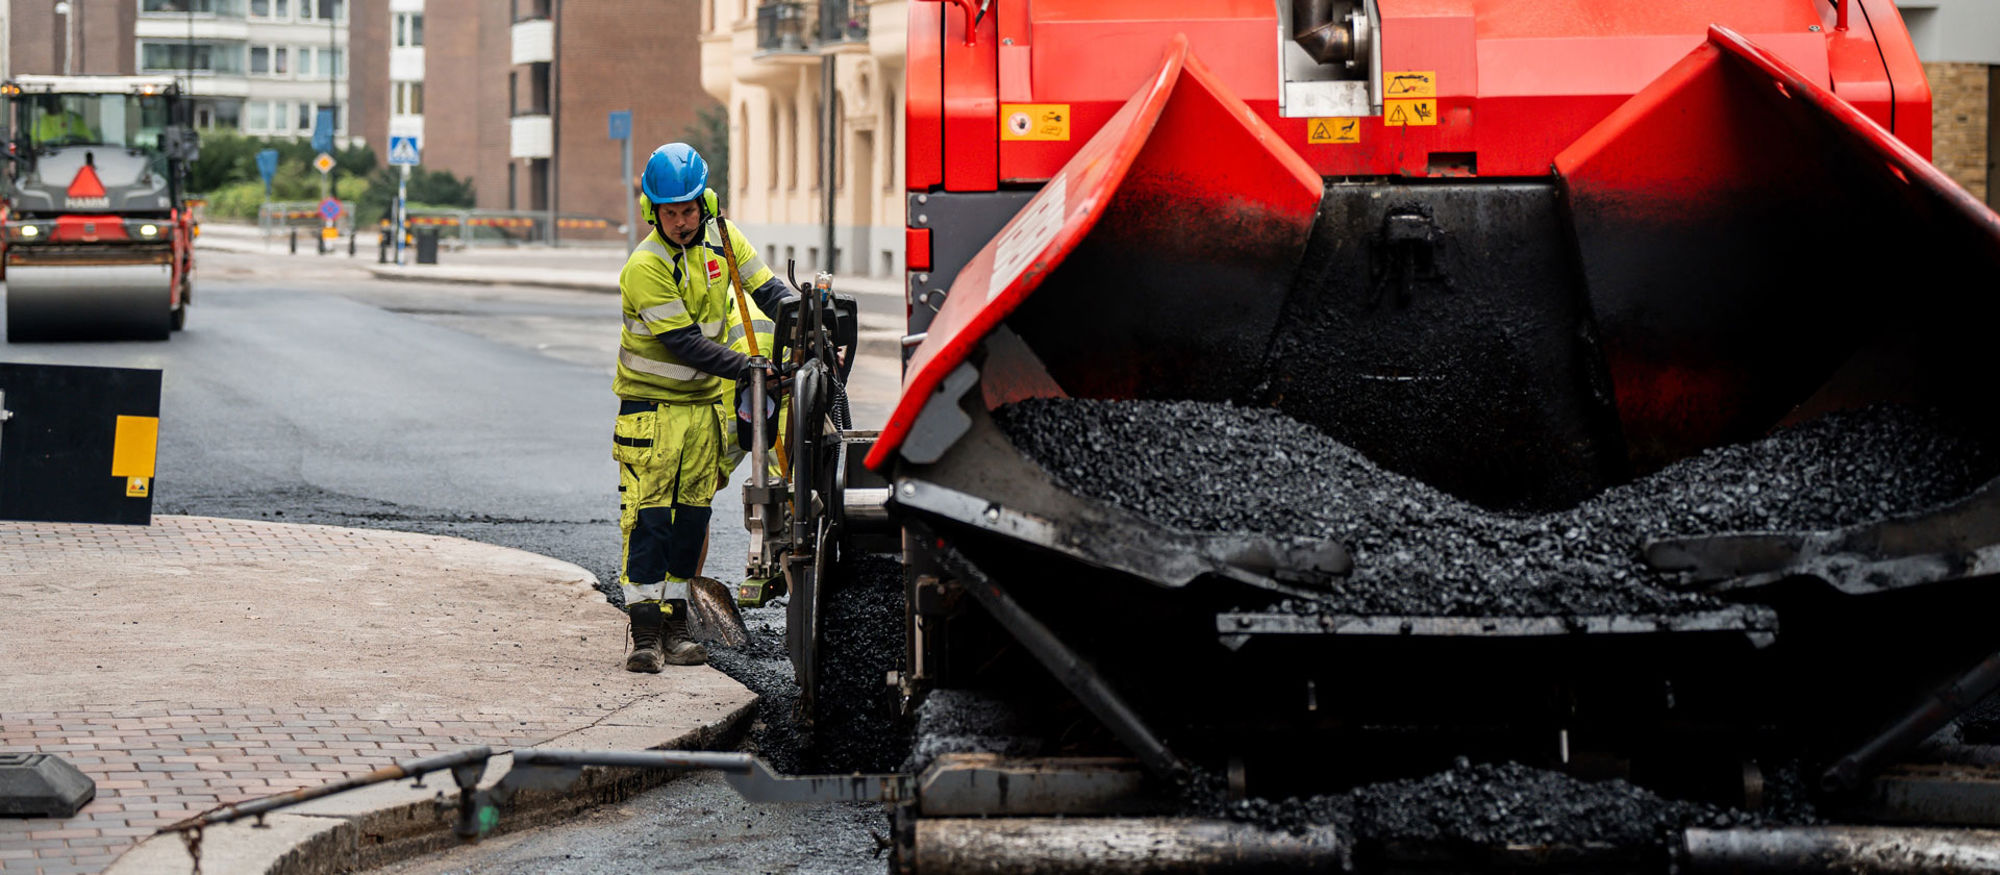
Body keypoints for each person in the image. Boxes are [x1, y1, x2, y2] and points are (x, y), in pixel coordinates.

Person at [614, 142, 790, 673]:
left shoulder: (722, 237)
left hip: (699, 412)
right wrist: (747, 368)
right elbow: (684, 343)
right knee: (649, 522)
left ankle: (675, 627)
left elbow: (766, 290)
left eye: (690, 210)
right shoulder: (645, 266)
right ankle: (644, 637)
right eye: (671, 213)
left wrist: (801, 312)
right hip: (653, 412)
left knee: (691, 519)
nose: (683, 222)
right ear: (653, 210)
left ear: (704, 202)